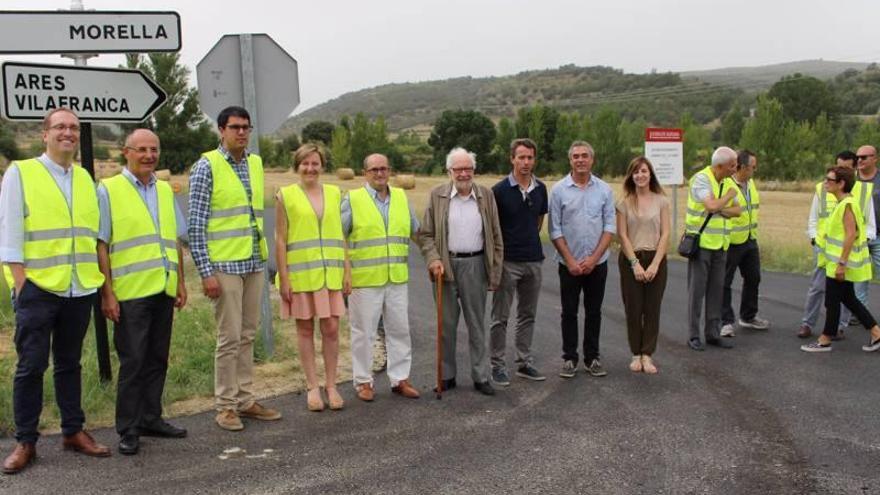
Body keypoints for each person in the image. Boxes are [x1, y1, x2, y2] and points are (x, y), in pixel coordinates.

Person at [1, 108, 110, 474]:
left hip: (79, 288)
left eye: (74, 128)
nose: (68, 133)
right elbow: (10, 234)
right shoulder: (22, 172)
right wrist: (21, 284)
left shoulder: (85, 180)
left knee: (70, 364)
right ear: (44, 134)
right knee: (31, 366)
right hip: (38, 288)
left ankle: (73, 431)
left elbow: (91, 235)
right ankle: (26, 441)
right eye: (60, 127)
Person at [96, 129, 188, 455]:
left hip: (163, 287)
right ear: (126, 152)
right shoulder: (108, 190)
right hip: (130, 292)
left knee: (157, 358)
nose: (149, 155)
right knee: (133, 361)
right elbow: (102, 246)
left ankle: (152, 417)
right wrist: (107, 293)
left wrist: (180, 282)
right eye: (142, 150)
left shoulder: (164, 190)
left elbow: (174, 239)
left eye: (154, 150)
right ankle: (129, 427)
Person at [189, 106, 281, 431]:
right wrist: (205, 272)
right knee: (228, 338)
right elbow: (195, 225)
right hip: (224, 265)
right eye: (235, 127)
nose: (241, 132)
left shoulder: (255, 164)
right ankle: (225, 407)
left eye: (246, 127)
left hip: (253, 263)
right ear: (221, 130)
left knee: (247, 335)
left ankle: (245, 400)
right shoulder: (206, 167)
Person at [417, 147, 503, 396]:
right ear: (449, 171)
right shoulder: (437, 196)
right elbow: (426, 235)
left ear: (474, 170)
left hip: (476, 265)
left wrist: (494, 272)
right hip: (445, 266)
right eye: (458, 169)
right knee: (447, 325)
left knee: (477, 324)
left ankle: (480, 376)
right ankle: (447, 376)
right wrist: (433, 259)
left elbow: (496, 236)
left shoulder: (485, 196)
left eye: (468, 168)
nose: (464, 173)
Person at [341, 153, 421, 401]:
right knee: (363, 333)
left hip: (396, 278)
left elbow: (416, 231)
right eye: (374, 169)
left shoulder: (401, 197)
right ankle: (363, 382)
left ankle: (400, 379)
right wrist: (344, 272)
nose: (379, 173)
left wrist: (436, 255)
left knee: (399, 330)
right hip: (364, 280)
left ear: (390, 171)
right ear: (365, 173)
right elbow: (339, 237)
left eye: (383, 168)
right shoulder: (352, 200)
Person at [275, 144, 346, 411]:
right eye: (305, 163)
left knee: (331, 329)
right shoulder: (285, 195)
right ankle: (312, 387)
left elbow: (341, 235)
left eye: (315, 163)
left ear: (322, 166)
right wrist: (284, 277)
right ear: (297, 166)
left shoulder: (336, 194)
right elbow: (280, 240)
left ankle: (331, 385)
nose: (310, 168)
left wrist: (346, 271)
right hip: (301, 274)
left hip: (331, 274)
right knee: (305, 330)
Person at [549, 141, 615, 378]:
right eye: (575, 156)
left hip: (597, 263)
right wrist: (571, 261)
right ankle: (569, 358)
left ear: (592, 159)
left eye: (584, 156)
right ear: (570, 160)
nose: (580, 160)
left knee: (594, 311)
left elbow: (609, 227)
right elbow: (554, 230)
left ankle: (592, 357)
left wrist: (594, 258)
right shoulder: (558, 191)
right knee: (568, 311)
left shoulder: (605, 190)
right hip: (568, 264)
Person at [801, 166, 880, 353]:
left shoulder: (846, 205)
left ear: (841, 183)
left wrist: (842, 263)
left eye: (829, 179)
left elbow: (850, 235)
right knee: (849, 299)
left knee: (833, 301)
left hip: (839, 264)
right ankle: (876, 333)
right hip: (834, 263)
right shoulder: (843, 202)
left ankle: (825, 339)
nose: (825, 182)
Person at [489, 138, 548, 386]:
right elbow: (494, 228)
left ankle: (524, 362)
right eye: (521, 157)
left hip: (533, 261)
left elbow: (538, 223)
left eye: (530, 158)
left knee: (528, 315)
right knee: (500, 317)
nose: (526, 162)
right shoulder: (499, 191)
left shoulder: (541, 188)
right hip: (508, 262)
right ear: (512, 158)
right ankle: (497, 365)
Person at [615, 156, 670, 374]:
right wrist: (635, 264)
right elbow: (622, 235)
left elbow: (665, 234)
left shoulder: (662, 201)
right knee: (634, 309)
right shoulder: (624, 203)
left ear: (650, 174)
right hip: (631, 259)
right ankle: (636, 353)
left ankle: (648, 354)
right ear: (631, 176)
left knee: (652, 309)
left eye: (644, 171)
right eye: (636, 172)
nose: (640, 175)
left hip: (656, 258)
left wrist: (655, 264)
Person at [685, 146, 741, 351]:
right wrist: (728, 197)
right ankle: (693, 335)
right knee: (697, 292)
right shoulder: (701, 179)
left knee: (717, 291)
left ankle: (712, 333)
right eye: (732, 166)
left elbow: (738, 211)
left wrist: (721, 207)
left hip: (721, 245)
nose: (735, 170)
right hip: (701, 245)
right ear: (719, 166)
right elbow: (710, 206)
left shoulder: (726, 181)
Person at [720, 150, 770, 337]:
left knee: (753, 277)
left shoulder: (750, 184)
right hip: (732, 241)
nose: (754, 170)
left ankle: (748, 316)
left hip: (750, 238)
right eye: (752, 167)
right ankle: (725, 321)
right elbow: (719, 209)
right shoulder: (726, 185)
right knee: (725, 281)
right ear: (741, 167)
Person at [854, 145, 880, 312]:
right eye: (858, 157)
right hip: (857, 237)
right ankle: (860, 313)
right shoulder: (851, 180)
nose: (860, 160)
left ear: (875, 159)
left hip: (878, 236)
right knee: (859, 279)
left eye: (864, 157)